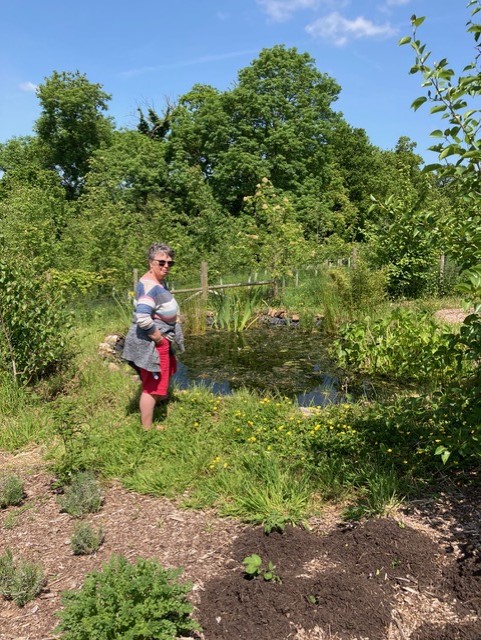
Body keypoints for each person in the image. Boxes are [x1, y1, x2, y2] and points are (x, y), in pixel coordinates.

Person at [122, 243, 184, 430]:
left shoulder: (155, 281)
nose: (166, 266)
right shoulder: (150, 287)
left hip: (159, 338)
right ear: (151, 262)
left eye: (170, 263)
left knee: (165, 372)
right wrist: (159, 339)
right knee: (152, 385)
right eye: (161, 262)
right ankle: (147, 429)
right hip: (153, 342)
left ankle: (162, 399)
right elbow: (142, 317)